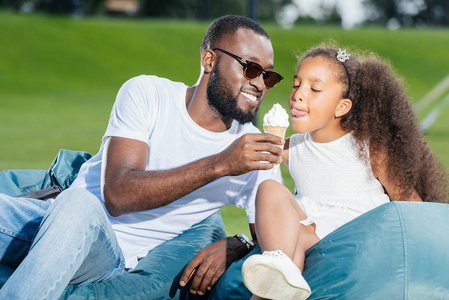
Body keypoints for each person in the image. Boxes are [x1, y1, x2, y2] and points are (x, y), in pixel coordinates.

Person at [0, 15, 285, 299]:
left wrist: (239, 243)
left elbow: (276, 240)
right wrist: (221, 164)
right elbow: (118, 192)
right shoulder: (148, 94)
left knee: (79, 205)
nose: (261, 84)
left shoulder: (256, 151)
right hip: (47, 221)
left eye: (269, 76)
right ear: (209, 60)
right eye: (251, 69)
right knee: (66, 205)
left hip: (104, 254)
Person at [241, 44, 449, 300]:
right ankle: (281, 269)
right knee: (270, 190)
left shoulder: (369, 148)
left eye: (314, 89)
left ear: (342, 107)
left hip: (357, 234)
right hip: (312, 229)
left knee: (289, 240)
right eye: (296, 84)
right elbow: (257, 172)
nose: (297, 95)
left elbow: (410, 205)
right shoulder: (292, 147)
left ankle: (279, 274)